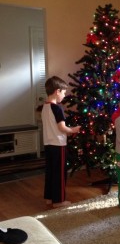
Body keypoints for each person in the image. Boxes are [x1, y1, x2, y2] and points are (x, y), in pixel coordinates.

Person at [41, 76, 81, 208]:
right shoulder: (57, 108)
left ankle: (49, 198)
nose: (64, 95)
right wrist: (74, 129)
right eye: (64, 92)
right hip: (58, 145)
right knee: (60, 173)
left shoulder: (44, 107)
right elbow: (62, 128)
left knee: (50, 171)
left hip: (48, 144)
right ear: (57, 91)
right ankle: (59, 200)